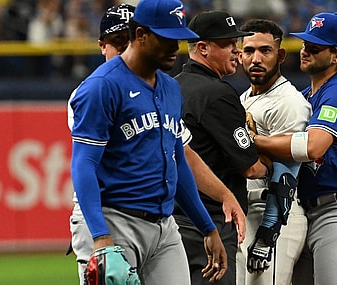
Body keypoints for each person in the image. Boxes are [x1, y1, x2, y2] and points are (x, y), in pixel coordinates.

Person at [67, 4, 246, 284]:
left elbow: (178, 161)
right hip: (116, 220)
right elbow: (83, 164)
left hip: (164, 225)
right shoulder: (101, 87)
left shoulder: (170, 87)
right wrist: (101, 237)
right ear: (141, 35)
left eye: (177, 37)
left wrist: (207, 227)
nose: (175, 46)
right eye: (166, 38)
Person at [248, 12, 337, 285]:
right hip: (306, 209)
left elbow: (313, 146)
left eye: (315, 48)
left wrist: (255, 141)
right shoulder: (305, 96)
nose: (305, 51)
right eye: (306, 44)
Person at [173, 10, 269, 285]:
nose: (236, 51)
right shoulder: (217, 93)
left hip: (175, 219)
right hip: (213, 219)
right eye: (227, 44)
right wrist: (279, 164)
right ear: (202, 47)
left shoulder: (173, 87)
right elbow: (250, 167)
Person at [235, 19, 312, 285]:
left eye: (265, 51)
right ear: (239, 54)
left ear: (280, 55)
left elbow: (288, 171)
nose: (256, 58)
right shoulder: (244, 98)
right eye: (249, 50)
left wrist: (269, 233)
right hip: (247, 209)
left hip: (276, 212)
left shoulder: (289, 102)